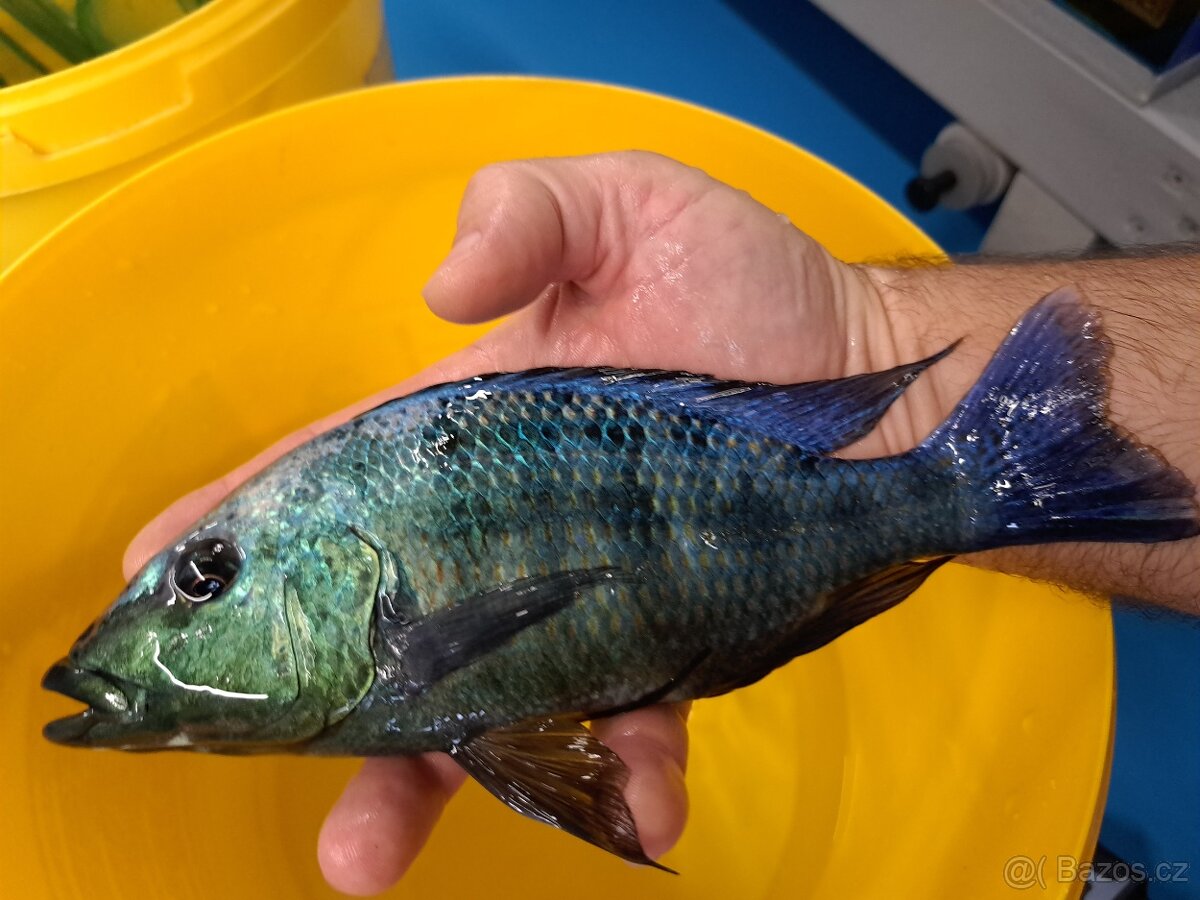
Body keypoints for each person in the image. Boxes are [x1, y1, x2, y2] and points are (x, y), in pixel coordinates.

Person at [120, 152, 1199, 895]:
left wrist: (887, 351)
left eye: (201, 575)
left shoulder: (383, 623)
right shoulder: (364, 628)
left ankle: (973, 484)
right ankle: (968, 484)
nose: (181, 597)